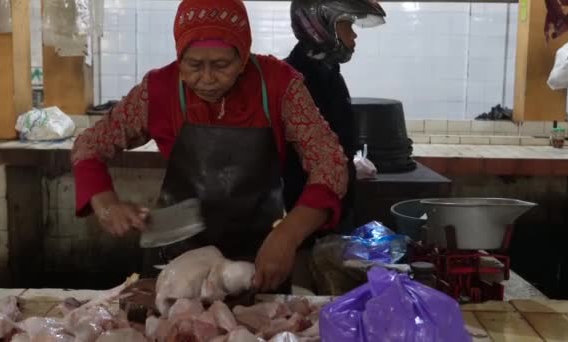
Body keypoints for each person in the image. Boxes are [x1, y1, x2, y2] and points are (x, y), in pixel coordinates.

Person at [71, 0, 348, 293]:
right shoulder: (158, 90)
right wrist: (106, 203)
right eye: (193, 65)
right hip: (176, 262)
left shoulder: (279, 84)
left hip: (258, 260)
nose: (206, 78)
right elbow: (89, 145)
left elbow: (330, 163)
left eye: (221, 65)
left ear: (242, 57)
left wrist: (289, 234)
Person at [284, 0, 385, 234]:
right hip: (305, 222)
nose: (354, 35)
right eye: (347, 25)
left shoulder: (329, 75)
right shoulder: (293, 81)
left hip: (336, 209)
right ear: (320, 25)